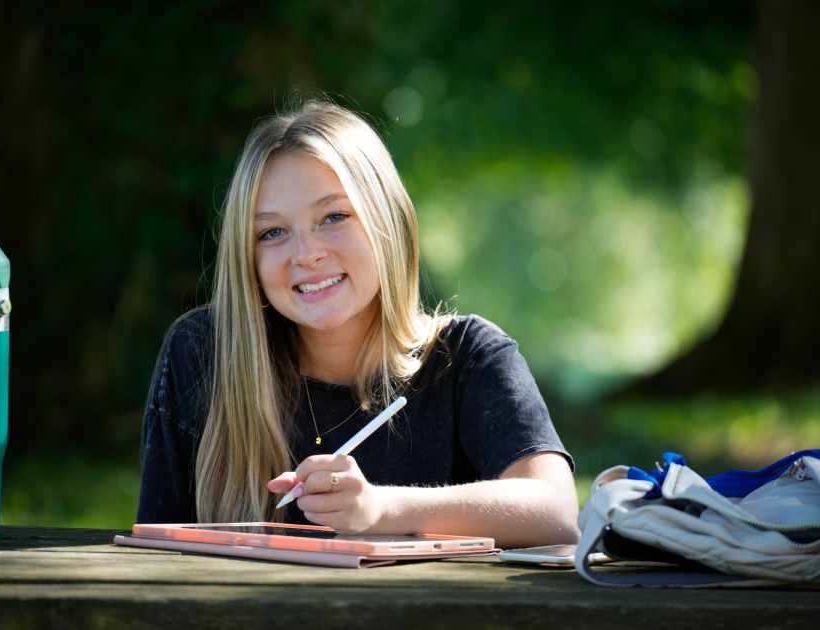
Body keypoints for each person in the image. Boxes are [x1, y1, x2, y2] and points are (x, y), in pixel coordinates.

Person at [137, 100, 580, 547]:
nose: (306, 254)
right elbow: (155, 550)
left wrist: (382, 510)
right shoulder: (204, 351)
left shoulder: (467, 357)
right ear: (247, 257)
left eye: (333, 217)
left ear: (387, 220)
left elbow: (555, 513)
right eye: (272, 232)